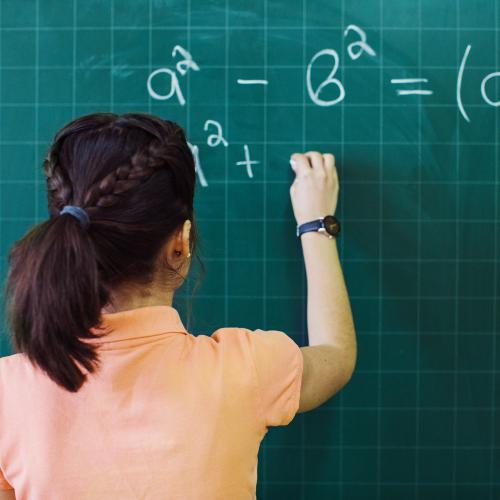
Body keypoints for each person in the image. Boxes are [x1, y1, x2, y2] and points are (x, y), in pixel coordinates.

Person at [0, 112, 356, 500]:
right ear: (181, 244)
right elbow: (336, 355)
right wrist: (316, 225)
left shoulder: (7, 392)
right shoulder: (243, 370)